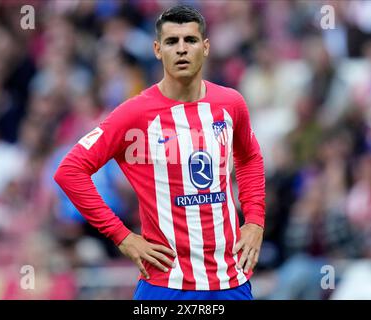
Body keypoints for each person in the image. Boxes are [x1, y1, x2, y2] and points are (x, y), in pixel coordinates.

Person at [54, 5, 265, 300]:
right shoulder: (134, 114)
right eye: (171, 41)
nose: (181, 49)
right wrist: (123, 236)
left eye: (190, 41)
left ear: (205, 48)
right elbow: (70, 171)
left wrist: (254, 220)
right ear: (157, 49)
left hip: (230, 281)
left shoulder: (230, 104)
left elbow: (250, 156)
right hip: (167, 285)